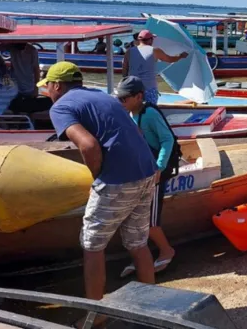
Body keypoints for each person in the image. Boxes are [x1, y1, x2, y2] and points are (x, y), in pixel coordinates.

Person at [39, 61, 158, 319]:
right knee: (138, 242)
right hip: (147, 171)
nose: (47, 91)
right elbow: (135, 130)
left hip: (118, 180)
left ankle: (96, 314)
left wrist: (97, 178)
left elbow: (89, 145)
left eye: (47, 86)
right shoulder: (102, 96)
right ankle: (152, 307)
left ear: (57, 86)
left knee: (92, 245)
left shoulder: (61, 107)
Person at [116, 76, 178, 278]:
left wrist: (159, 167)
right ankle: (143, 257)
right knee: (136, 219)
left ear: (138, 97)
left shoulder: (149, 114)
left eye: (124, 98)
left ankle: (167, 251)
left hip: (156, 174)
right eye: (119, 98)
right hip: (142, 172)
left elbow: (167, 140)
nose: (121, 102)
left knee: (150, 222)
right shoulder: (129, 114)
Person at [121, 30, 188, 105]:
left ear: (139, 40)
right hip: (149, 88)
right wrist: (181, 56)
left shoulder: (129, 51)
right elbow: (170, 59)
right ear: (150, 40)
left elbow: (124, 71)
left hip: (133, 88)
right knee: (149, 110)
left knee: (133, 111)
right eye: (152, 39)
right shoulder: (154, 50)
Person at [0, 43, 52, 114]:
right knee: (16, 107)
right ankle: (17, 123)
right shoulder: (12, 47)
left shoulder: (32, 50)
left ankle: (28, 123)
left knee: (30, 109)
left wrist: (36, 88)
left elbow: (36, 69)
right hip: (15, 85)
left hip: (29, 85)